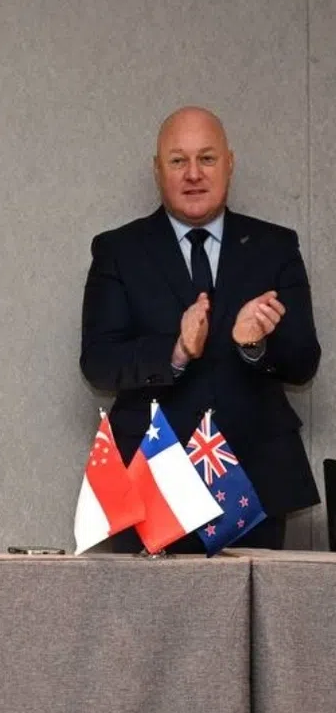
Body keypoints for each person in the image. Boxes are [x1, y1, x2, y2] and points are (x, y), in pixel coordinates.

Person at [81, 106, 321, 551]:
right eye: (178, 161)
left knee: (254, 600)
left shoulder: (276, 246)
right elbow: (98, 362)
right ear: (158, 170)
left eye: (206, 159)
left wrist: (255, 346)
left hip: (256, 479)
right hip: (150, 480)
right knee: (145, 601)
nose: (193, 174)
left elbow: (304, 361)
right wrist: (175, 350)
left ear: (229, 163)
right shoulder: (118, 249)